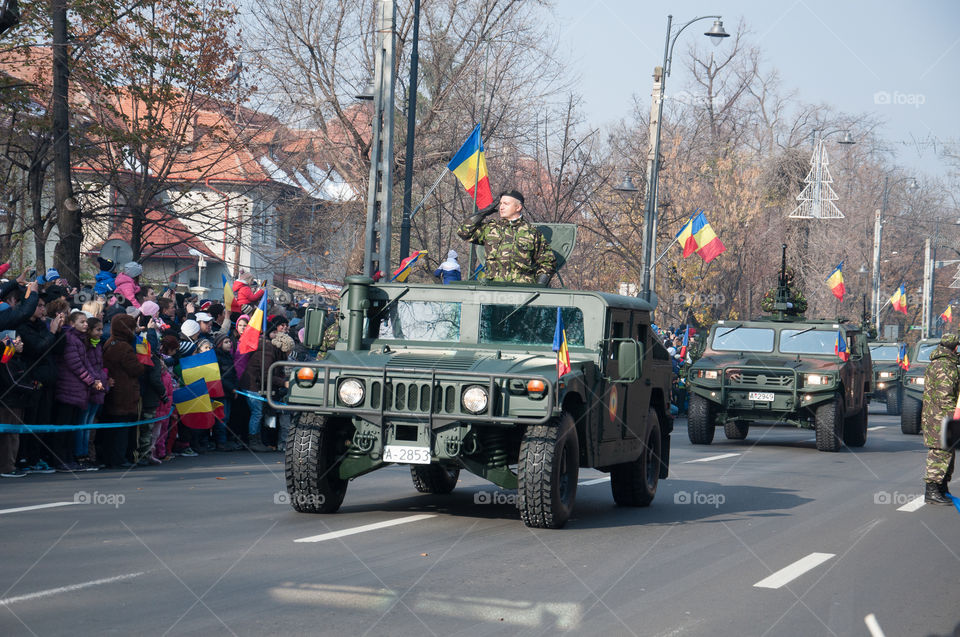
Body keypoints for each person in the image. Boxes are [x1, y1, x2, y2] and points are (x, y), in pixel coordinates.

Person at [456, 190, 556, 285]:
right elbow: (463, 232)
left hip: (522, 290)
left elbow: (548, 262)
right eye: (501, 204)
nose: (501, 207)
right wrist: (482, 213)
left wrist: (538, 286)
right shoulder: (491, 229)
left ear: (518, 207)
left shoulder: (531, 233)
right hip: (492, 287)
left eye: (506, 204)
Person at [53, 311, 102, 472]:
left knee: (71, 427)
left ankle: (69, 458)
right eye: (82, 322)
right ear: (72, 323)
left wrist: (96, 379)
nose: (86, 324)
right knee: (64, 427)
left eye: (86, 322)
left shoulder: (80, 340)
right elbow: (75, 365)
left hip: (78, 390)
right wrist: (91, 380)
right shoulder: (69, 338)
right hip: (68, 389)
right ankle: (60, 460)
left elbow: (86, 363)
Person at [99, 314, 144, 469]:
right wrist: (143, 363)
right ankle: (119, 458)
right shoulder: (124, 347)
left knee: (112, 428)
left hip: (113, 390)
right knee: (122, 430)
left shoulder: (109, 342)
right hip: (125, 392)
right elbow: (135, 369)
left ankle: (110, 457)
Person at [920, 332, 959, 505]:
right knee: (940, 453)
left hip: (936, 416)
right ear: (955, 347)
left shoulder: (938, 363)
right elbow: (946, 397)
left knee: (946, 452)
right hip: (941, 418)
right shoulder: (945, 366)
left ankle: (942, 488)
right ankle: (932, 491)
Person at [0, 334, 36, 477]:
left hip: (18, 402)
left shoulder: (17, 359)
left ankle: (11, 464)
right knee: (7, 436)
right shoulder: (6, 359)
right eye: (17, 341)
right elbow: (12, 382)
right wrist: (31, 389)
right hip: (8, 403)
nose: (21, 344)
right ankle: (6, 467)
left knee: (14, 435)